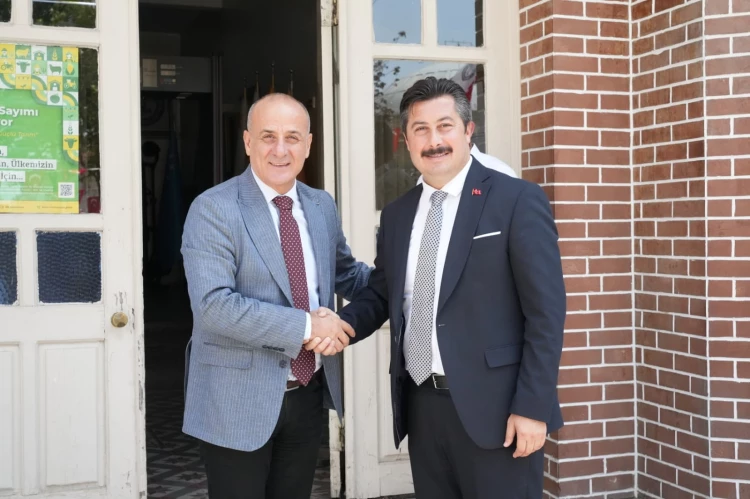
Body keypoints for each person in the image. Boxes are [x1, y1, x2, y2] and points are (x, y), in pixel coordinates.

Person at [334, 77, 566, 498]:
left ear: (468, 130)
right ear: (406, 140)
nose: (434, 141)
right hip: (423, 406)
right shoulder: (398, 214)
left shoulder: (516, 200)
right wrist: (341, 326)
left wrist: (533, 407)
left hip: (498, 410)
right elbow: (383, 293)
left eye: (445, 126)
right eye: (421, 129)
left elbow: (546, 314)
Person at [181, 93, 370, 499]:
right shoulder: (213, 208)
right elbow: (214, 306)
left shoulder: (321, 206)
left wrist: (412, 282)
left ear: (308, 144)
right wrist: (308, 326)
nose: (280, 150)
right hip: (236, 399)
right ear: (248, 142)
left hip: (307, 393)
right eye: (268, 136)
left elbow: (346, 274)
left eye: (292, 137)